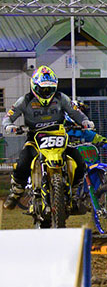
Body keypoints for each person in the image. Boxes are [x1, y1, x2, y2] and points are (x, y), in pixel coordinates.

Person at [3, 66, 91, 208]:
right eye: (42, 89)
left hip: (59, 137)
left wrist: (85, 121)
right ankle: (16, 193)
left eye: (49, 89)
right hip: (34, 140)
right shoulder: (24, 101)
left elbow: (76, 113)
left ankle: (74, 193)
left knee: (79, 161)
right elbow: (8, 117)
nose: (46, 92)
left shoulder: (61, 98)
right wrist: (9, 126)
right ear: (34, 86)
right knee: (22, 163)